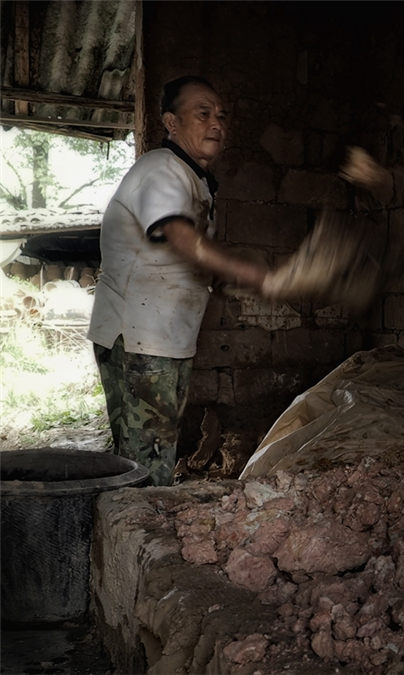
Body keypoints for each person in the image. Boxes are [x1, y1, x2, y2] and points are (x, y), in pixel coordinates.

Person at [88, 76, 269, 486]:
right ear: (171, 122)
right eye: (202, 113)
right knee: (145, 461)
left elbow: (186, 260)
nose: (216, 124)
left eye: (221, 115)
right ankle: (136, 536)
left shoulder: (196, 180)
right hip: (139, 336)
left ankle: (132, 528)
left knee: (151, 448)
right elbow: (179, 236)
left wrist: (224, 280)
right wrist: (249, 271)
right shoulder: (161, 169)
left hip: (164, 337)